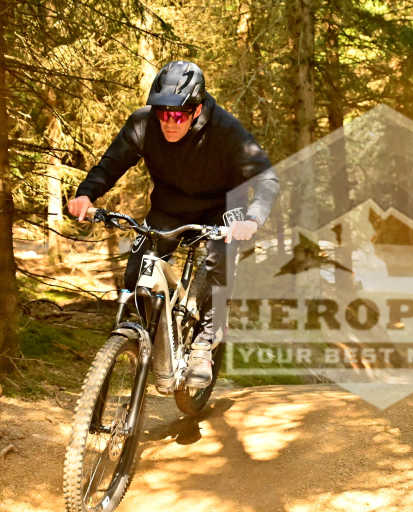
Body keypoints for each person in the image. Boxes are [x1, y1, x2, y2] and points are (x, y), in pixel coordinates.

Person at [67, 60, 279, 387]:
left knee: (219, 260)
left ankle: (205, 341)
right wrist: (86, 194)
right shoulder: (143, 124)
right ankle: (157, 336)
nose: (168, 123)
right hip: (170, 206)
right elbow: (111, 164)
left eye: (178, 115)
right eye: (162, 113)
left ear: (197, 110)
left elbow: (266, 178)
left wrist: (252, 219)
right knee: (136, 273)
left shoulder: (226, 130)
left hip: (222, 207)